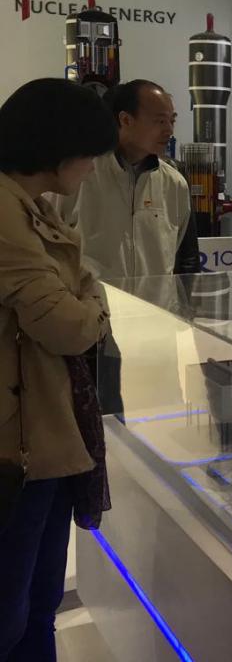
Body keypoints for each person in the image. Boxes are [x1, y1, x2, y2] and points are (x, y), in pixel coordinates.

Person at [0, 79, 116, 660]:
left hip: (45, 433)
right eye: (88, 153)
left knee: (39, 600)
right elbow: (69, 324)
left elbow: (85, 287)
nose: (92, 168)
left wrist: (86, 299)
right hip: (18, 445)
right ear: (56, 147)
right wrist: (92, 305)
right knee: (13, 610)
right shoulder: (5, 213)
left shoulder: (33, 209)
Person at [57, 79, 200, 279]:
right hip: (93, 298)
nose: (169, 130)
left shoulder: (174, 184)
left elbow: (184, 258)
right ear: (125, 120)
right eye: (160, 121)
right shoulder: (80, 176)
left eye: (172, 121)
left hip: (154, 299)